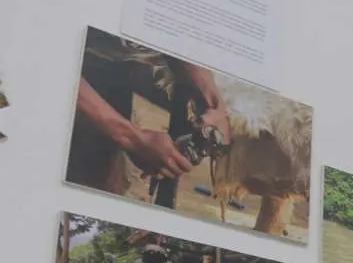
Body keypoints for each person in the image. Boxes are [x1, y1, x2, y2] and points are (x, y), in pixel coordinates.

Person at [68, 31, 231, 198]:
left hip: (113, 64)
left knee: (105, 182)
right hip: (74, 67)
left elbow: (182, 33)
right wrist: (130, 138)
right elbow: (56, 62)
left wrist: (213, 101)